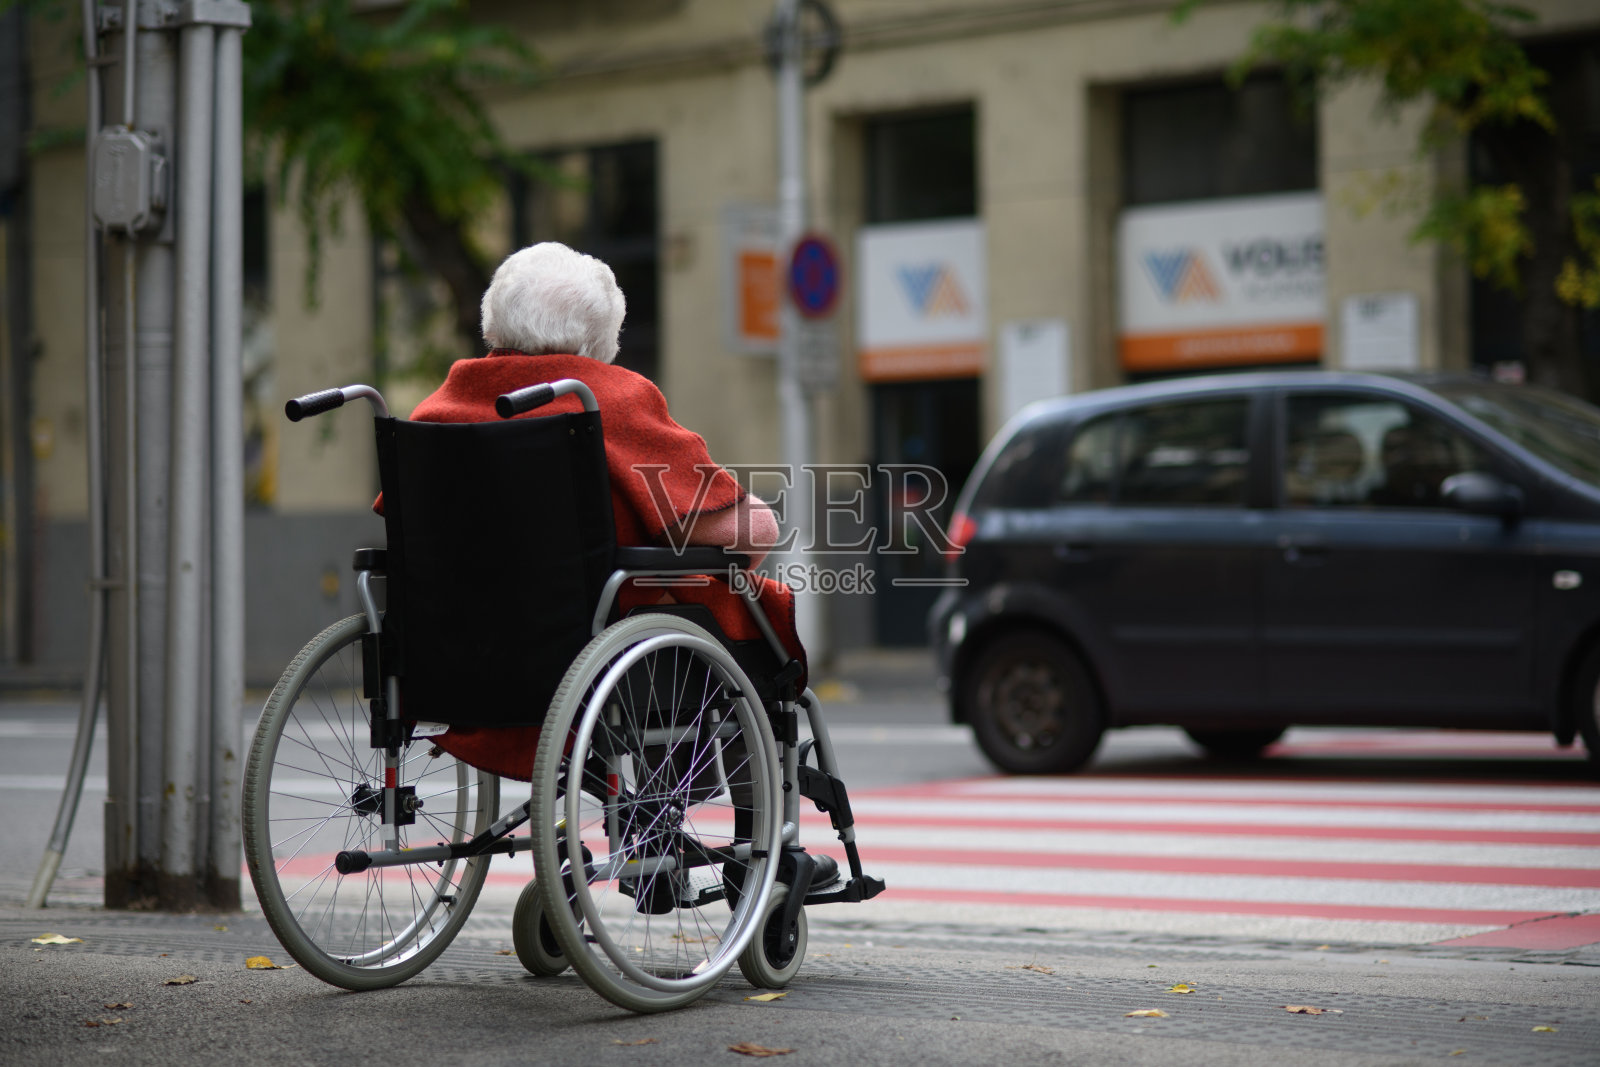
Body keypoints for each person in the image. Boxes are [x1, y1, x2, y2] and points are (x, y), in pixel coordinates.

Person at [390, 242, 803, 778]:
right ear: (602, 334)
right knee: (738, 608)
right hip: (598, 642)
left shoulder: (438, 412)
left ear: (494, 322)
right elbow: (738, 530)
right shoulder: (609, 397)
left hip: (465, 647)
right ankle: (747, 835)